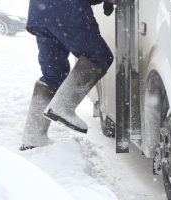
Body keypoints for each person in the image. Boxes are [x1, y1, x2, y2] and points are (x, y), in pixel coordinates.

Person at [20, 0, 115, 150]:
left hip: (39, 13)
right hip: (67, 10)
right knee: (100, 56)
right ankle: (63, 107)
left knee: (53, 75)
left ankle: (33, 136)